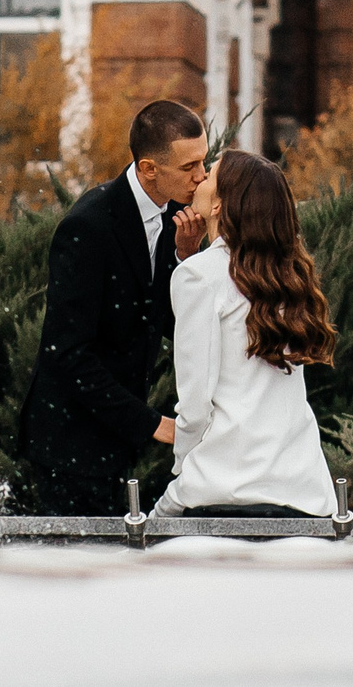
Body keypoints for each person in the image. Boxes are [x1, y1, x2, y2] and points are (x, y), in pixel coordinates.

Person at [18, 99, 208, 515]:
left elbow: (173, 323)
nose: (202, 176)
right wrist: (150, 423)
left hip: (116, 439)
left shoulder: (181, 215)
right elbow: (68, 352)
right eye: (189, 167)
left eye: (204, 162)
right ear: (148, 169)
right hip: (69, 438)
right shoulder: (88, 225)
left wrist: (186, 258)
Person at [154, 147, 339, 519]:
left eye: (209, 177)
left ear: (222, 205)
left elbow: (194, 403)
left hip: (224, 493)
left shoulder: (198, 276)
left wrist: (180, 479)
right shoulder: (287, 279)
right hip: (303, 494)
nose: (199, 179)